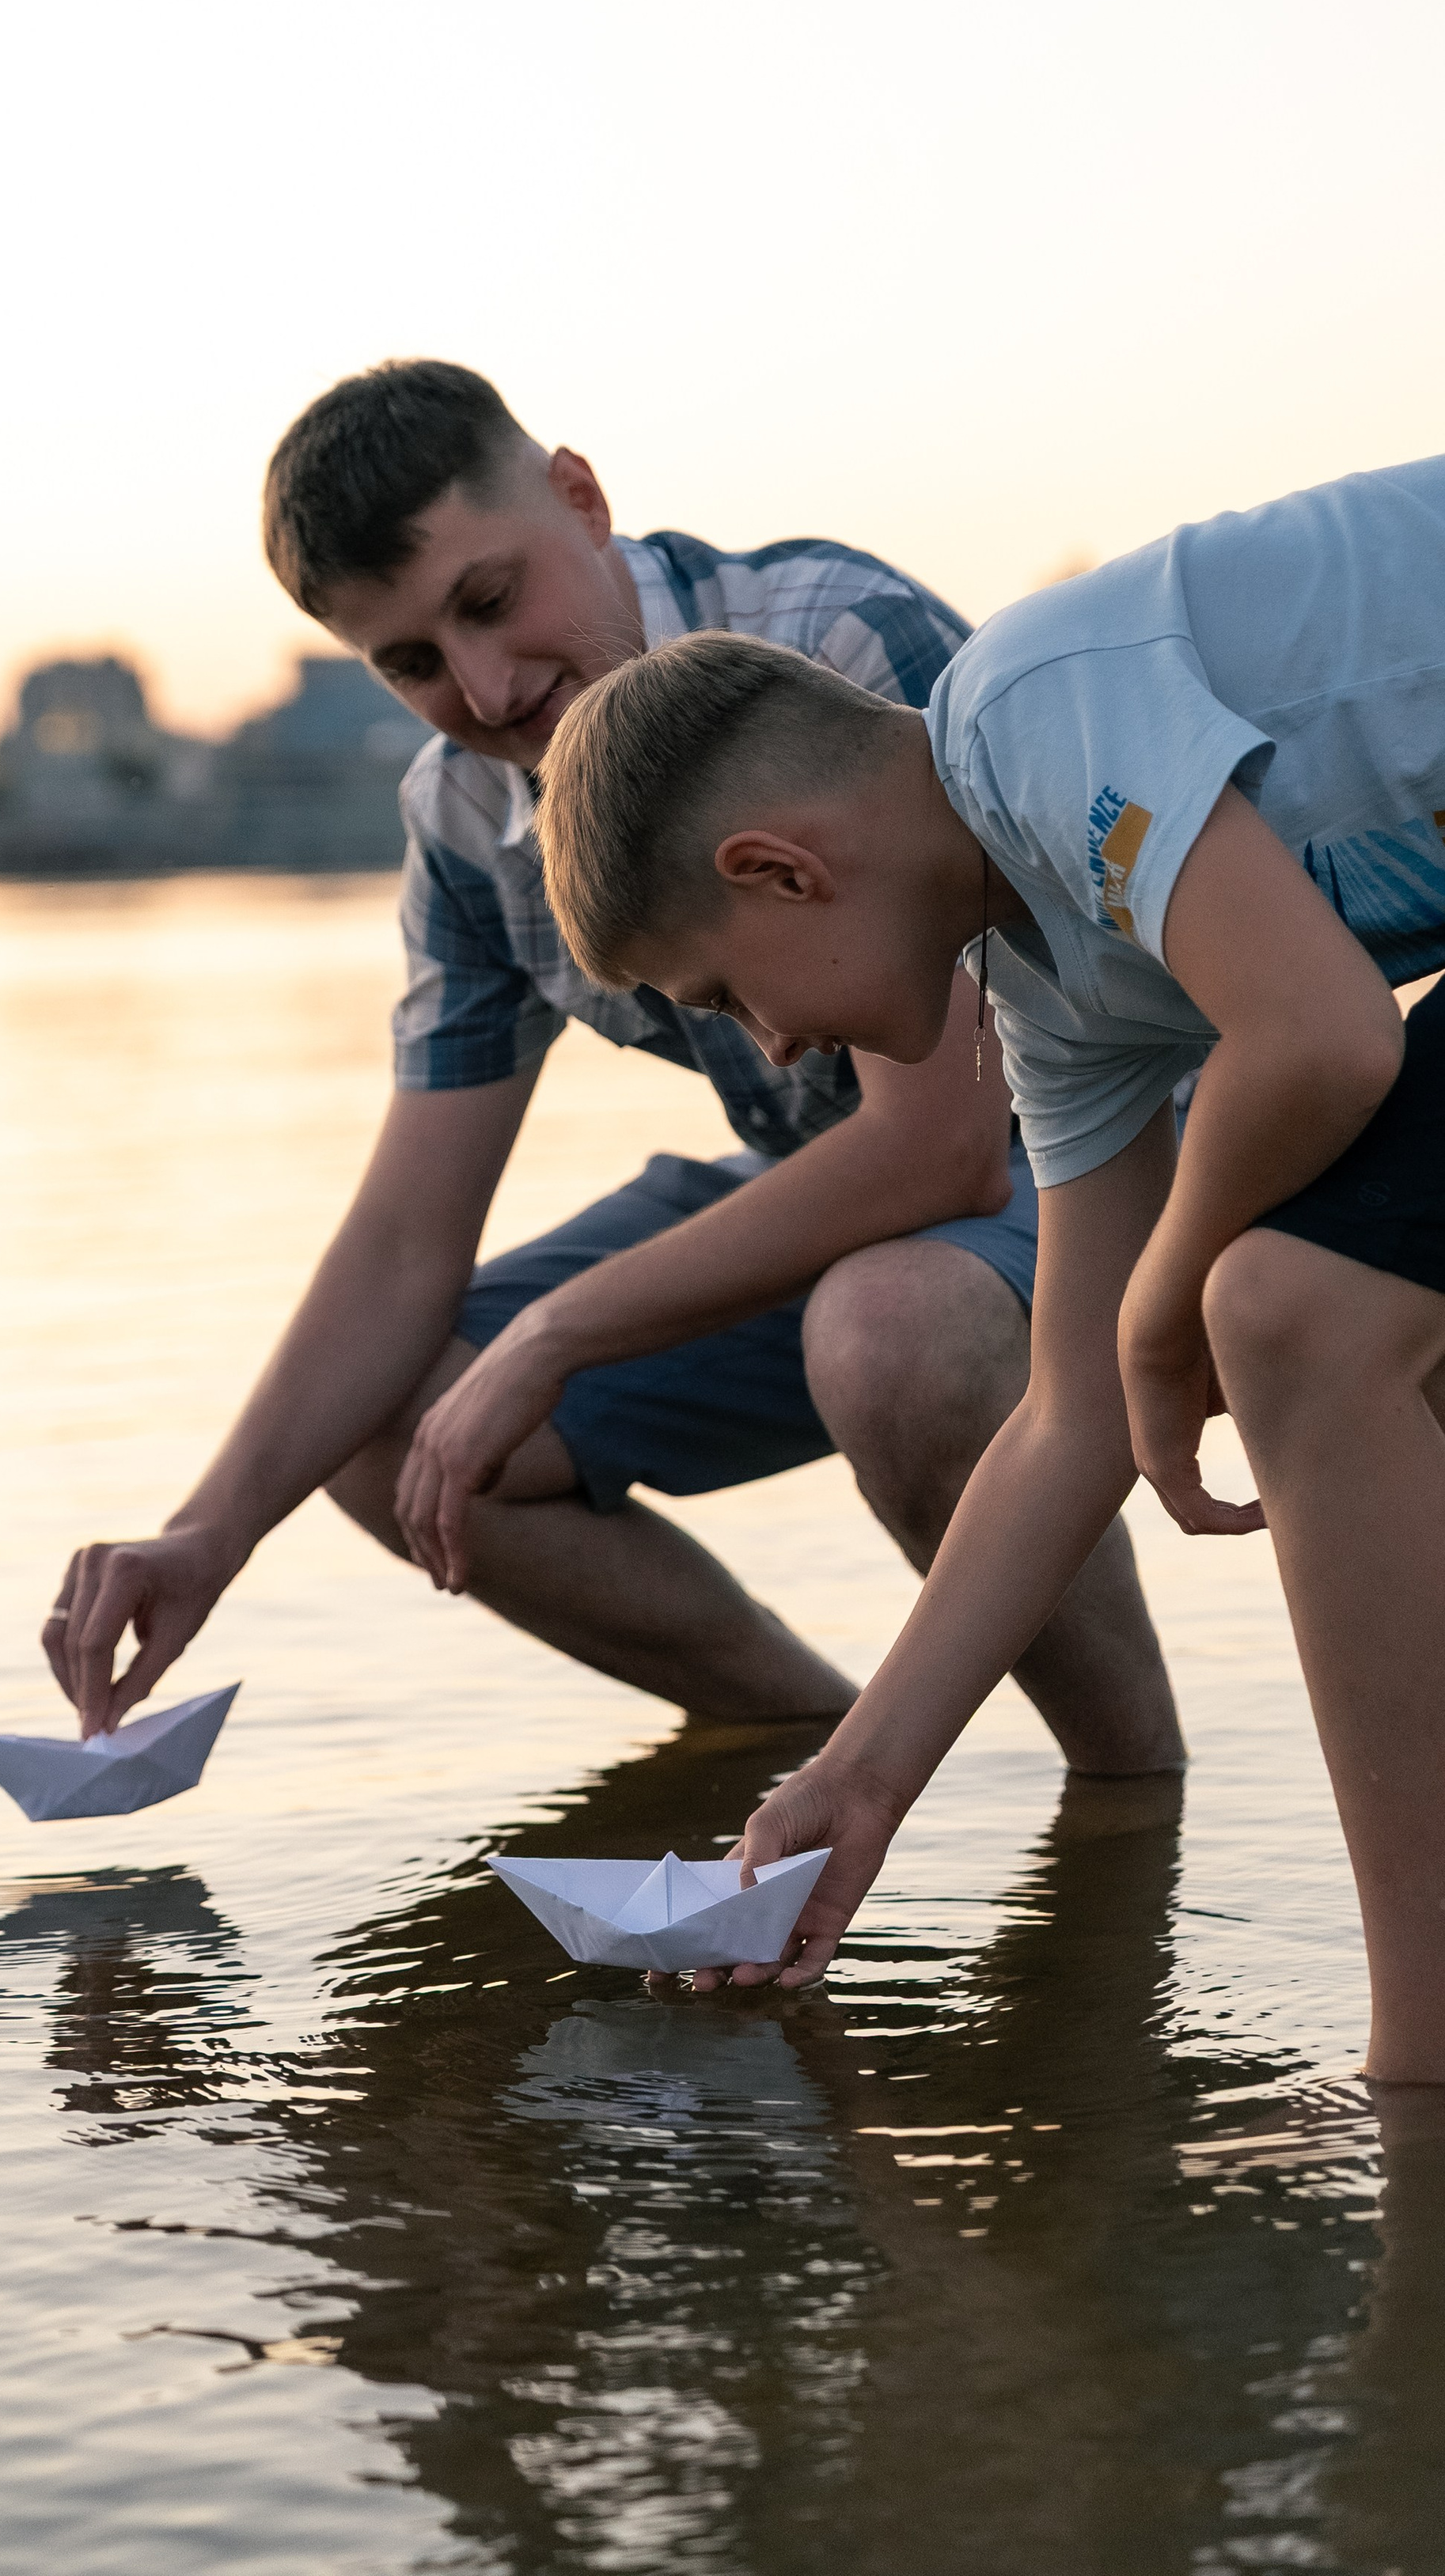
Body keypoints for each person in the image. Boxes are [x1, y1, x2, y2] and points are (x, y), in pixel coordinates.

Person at [44, 360, 1181, 1778]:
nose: (485, 688)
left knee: (888, 1328)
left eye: (488, 599)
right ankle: (803, 1753)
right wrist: (211, 1530)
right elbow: (407, 1236)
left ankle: (1127, 1803)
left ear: (579, 502)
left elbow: (941, 1145)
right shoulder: (463, 819)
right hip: (842, 1200)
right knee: (391, 1430)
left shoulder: (831, 638)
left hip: (1109, 1160)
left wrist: (554, 1334)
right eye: (408, 664)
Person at [531, 449, 1445, 2076]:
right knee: (1310, 1309)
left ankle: (1417, 2063)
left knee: (1288, 1309)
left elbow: (1318, 1043)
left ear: (776, 870)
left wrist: (1165, 1292)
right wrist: (858, 1782)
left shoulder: (1025, 712)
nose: (778, 1042)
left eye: (731, 996)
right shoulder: (1055, 985)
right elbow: (1064, 1419)